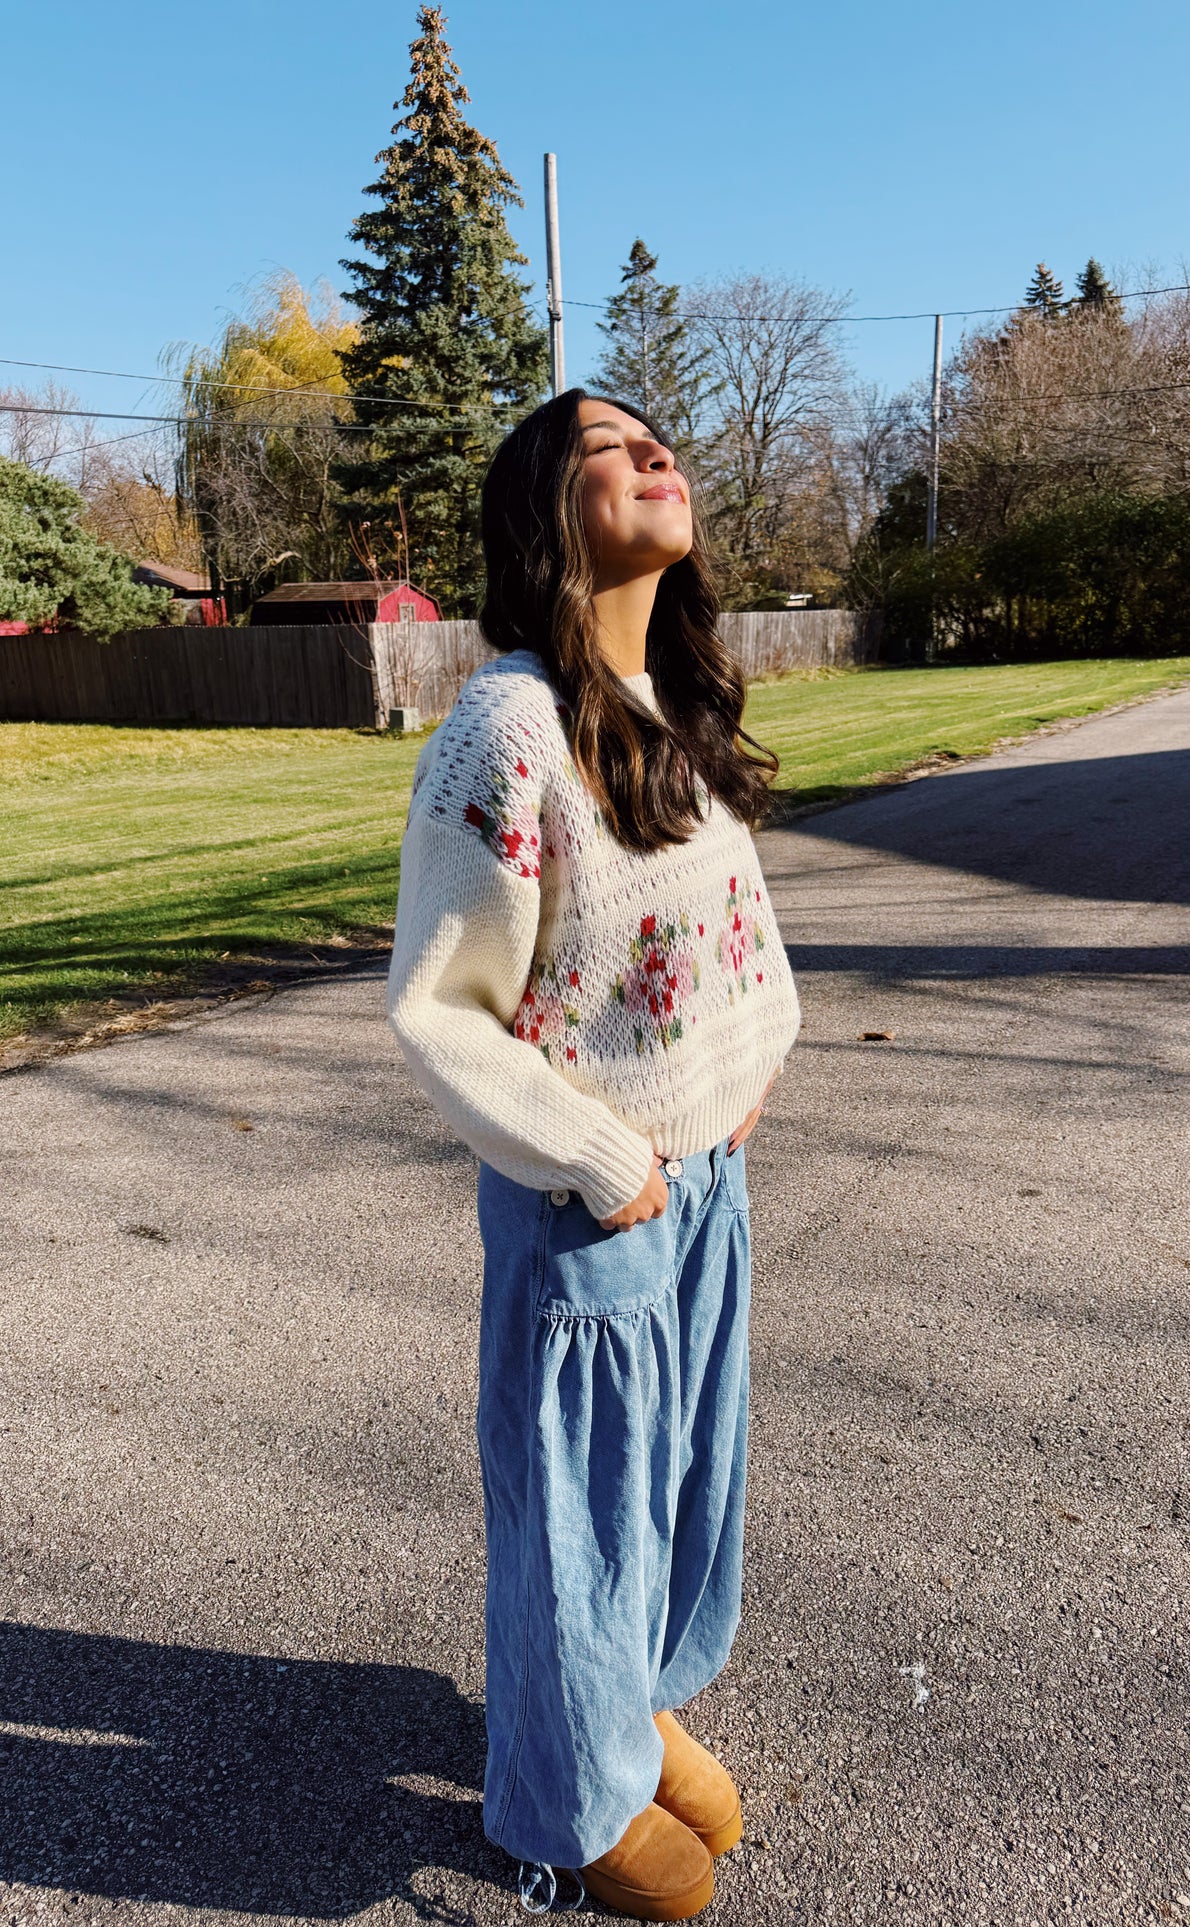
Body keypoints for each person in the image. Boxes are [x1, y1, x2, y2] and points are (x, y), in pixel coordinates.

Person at [387, 389, 801, 1920]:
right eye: (602, 444)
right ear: (542, 513)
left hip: (711, 1184)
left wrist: (752, 1066)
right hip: (594, 1204)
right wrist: (599, 1157)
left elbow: (724, 928)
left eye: (656, 436)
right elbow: (437, 1006)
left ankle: (626, 1709)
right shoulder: (506, 730)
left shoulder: (666, 699)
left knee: (688, 1486)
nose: (650, 450)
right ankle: (566, 1801)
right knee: (580, 1518)